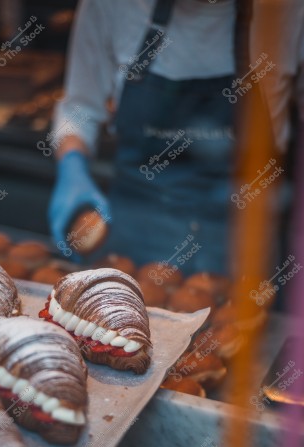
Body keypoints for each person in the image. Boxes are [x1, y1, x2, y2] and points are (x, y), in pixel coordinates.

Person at [47, 0, 304, 274]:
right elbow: (80, 107)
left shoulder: (287, 9)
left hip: (247, 247)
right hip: (137, 236)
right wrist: (72, 167)